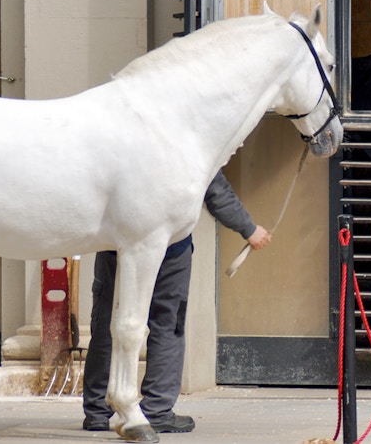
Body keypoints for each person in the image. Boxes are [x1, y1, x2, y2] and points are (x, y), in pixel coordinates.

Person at [83, 170, 272, 434]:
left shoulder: (121, 135)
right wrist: (249, 228)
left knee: (108, 322)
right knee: (167, 323)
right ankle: (157, 410)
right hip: (169, 248)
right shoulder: (183, 137)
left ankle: (98, 411)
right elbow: (214, 187)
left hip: (116, 243)